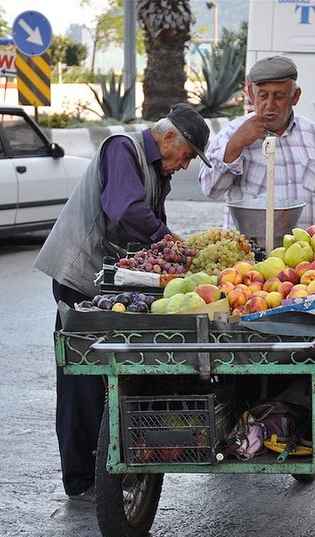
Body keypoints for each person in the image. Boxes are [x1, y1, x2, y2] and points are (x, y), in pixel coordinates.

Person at [34, 103, 211, 502]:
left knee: (111, 373)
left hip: (108, 282)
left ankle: (107, 467)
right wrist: (172, 245)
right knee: (81, 378)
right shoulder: (122, 149)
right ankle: (81, 480)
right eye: (185, 156)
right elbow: (127, 210)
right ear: (168, 138)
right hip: (79, 277)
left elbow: (147, 228)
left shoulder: (155, 168)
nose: (184, 167)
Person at [199, 56, 315, 232]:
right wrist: (237, 144)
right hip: (251, 255)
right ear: (252, 94)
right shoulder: (232, 133)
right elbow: (210, 189)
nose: (270, 105)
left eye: (279, 96)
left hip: (306, 254)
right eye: (263, 96)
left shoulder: (313, 133)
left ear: (295, 96)